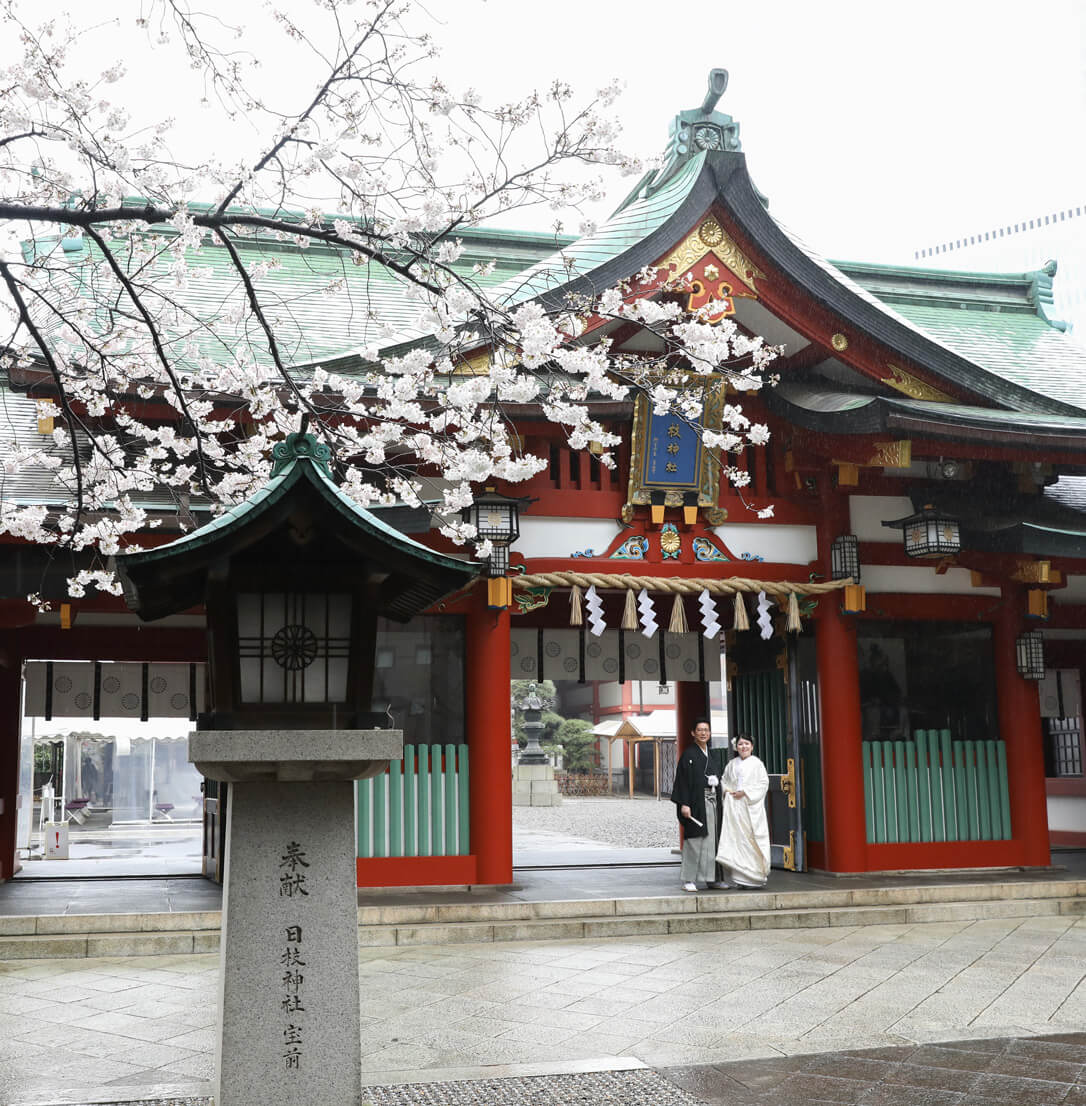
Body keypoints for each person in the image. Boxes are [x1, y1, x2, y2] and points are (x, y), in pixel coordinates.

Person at [670, 717, 727, 892]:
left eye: (706, 730)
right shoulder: (688, 755)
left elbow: (721, 777)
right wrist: (684, 804)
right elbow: (682, 781)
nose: (703, 733)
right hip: (696, 803)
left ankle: (713, 879)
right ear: (693, 733)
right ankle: (689, 879)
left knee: (713, 841)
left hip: (713, 803)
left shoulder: (713, 755)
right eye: (700, 730)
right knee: (695, 840)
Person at [716, 734, 771, 888]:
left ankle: (754, 877)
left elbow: (763, 784)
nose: (744, 746)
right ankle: (740, 877)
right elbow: (724, 781)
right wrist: (728, 791)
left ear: (752, 746)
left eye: (747, 744)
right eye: (740, 744)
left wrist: (745, 792)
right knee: (737, 838)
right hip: (735, 806)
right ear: (736, 747)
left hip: (750, 807)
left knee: (751, 837)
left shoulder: (757, 764)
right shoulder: (731, 764)